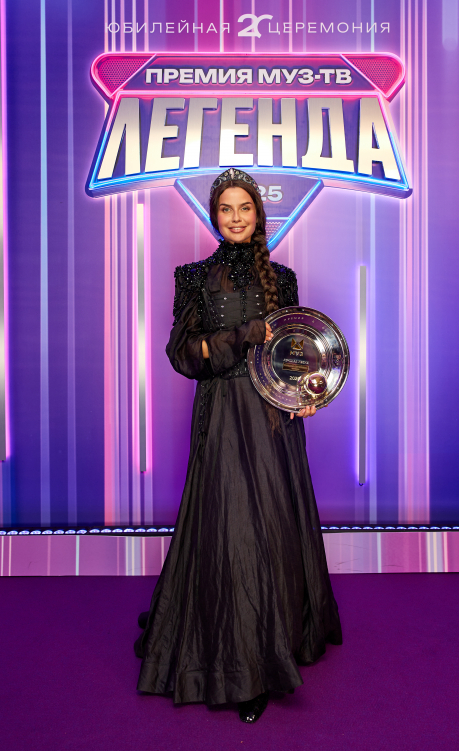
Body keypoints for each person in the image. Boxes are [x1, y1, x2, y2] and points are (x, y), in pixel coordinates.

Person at [135, 167, 342, 723]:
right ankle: (243, 666)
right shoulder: (192, 277)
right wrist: (241, 335)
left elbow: (298, 354)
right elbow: (183, 355)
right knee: (234, 532)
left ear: (258, 214)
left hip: (274, 422)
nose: (235, 217)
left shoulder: (284, 279)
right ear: (214, 216)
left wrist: (308, 396)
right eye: (226, 209)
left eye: (244, 208)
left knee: (273, 527)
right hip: (224, 417)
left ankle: (276, 643)